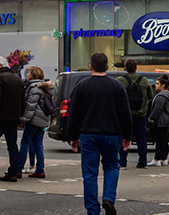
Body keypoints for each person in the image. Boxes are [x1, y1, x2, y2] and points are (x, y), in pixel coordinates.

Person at [66, 52, 133, 215]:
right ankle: (109, 198)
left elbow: (74, 113)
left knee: (89, 173)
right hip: (112, 133)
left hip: (88, 134)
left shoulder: (81, 86)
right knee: (111, 167)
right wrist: (128, 135)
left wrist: (72, 137)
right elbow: (126, 112)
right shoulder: (117, 86)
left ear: (90, 67)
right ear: (107, 67)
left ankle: (92, 210)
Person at [16, 66, 54, 178]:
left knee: (25, 143)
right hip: (43, 120)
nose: (27, 75)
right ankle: (40, 169)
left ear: (33, 75)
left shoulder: (34, 88)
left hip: (34, 120)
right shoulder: (46, 87)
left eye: (28, 73)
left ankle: (18, 168)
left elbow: (30, 107)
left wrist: (22, 120)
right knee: (38, 144)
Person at [117, 58, 153, 169]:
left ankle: (122, 163)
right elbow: (150, 96)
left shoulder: (120, 80)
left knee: (124, 138)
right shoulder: (144, 81)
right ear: (136, 68)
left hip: (125, 115)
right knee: (141, 139)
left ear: (125, 67)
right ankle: (142, 162)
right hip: (140, 115)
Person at [146, 75, 169, 167]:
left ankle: (157, 159)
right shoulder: (168, 96)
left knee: (159, 141)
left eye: (157, 84)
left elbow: (157, 109)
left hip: (159, 121)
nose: (155, 85)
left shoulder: (161, 97)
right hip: (165, 121)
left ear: (163, 85)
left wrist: (151, 119)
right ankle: (164, 158)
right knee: (163, 140)